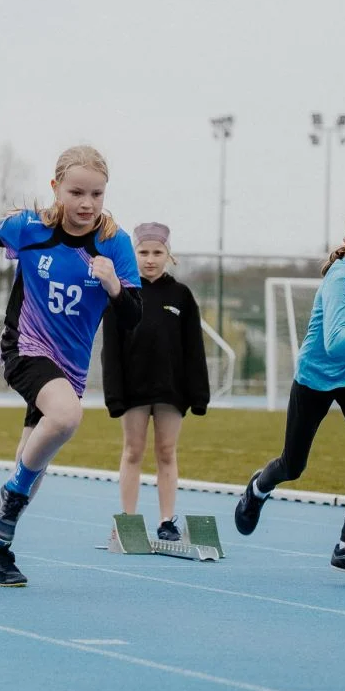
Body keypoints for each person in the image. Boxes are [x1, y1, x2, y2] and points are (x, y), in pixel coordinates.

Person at [0, 145, 142, 587]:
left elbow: (133, 318)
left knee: (34, 462)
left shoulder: (115, 244)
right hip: (25, 349)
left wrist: (114, 286)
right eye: (76, 192)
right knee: (67, 417)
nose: (86, 204)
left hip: (70, 367)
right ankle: (8, 501)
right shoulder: (30, 229)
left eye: (96, 194)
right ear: (56, 189)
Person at [233, 205, 345, 579]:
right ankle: (259, 486)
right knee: (293, 466)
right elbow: (333, 342)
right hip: (315, 377)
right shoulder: (340, 280)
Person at [100, 222, 209, 540]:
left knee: (166, 451)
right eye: (143, 252)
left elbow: (194, 349)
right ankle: (128, 521)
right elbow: (111, 349)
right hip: (133, 390)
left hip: (170, 391)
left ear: (168, 255)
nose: (150, 259)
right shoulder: (120, 293)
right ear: (133, 254)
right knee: (133, 451)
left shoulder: (182, 296)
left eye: (157, 252)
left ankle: (166, 521)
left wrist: (199, 394)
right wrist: (114, 395)